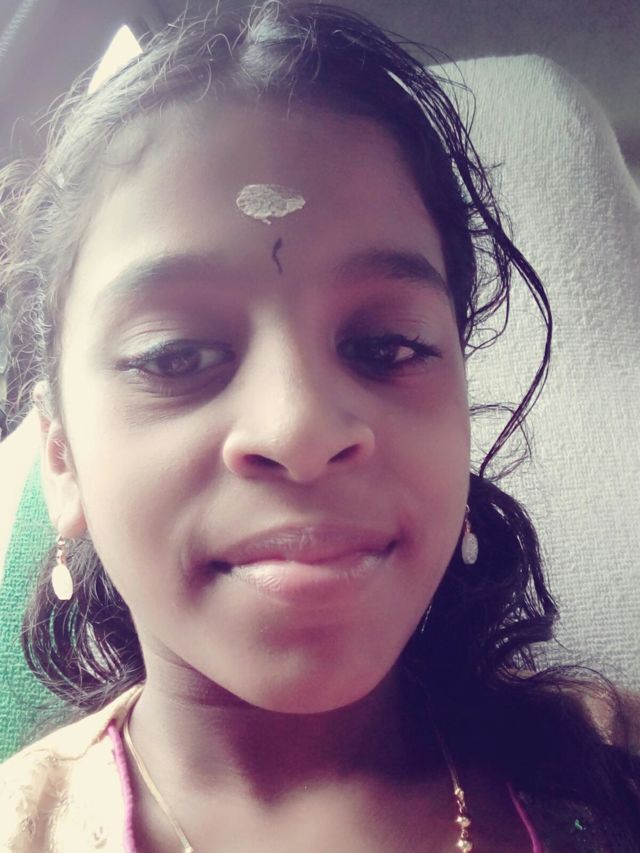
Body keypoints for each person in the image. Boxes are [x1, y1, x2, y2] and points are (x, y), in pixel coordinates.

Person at [0, 2, 638, 850]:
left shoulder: (611, 761)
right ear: (62, 460)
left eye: (387, 346)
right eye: (176, 355)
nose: (299, 429)